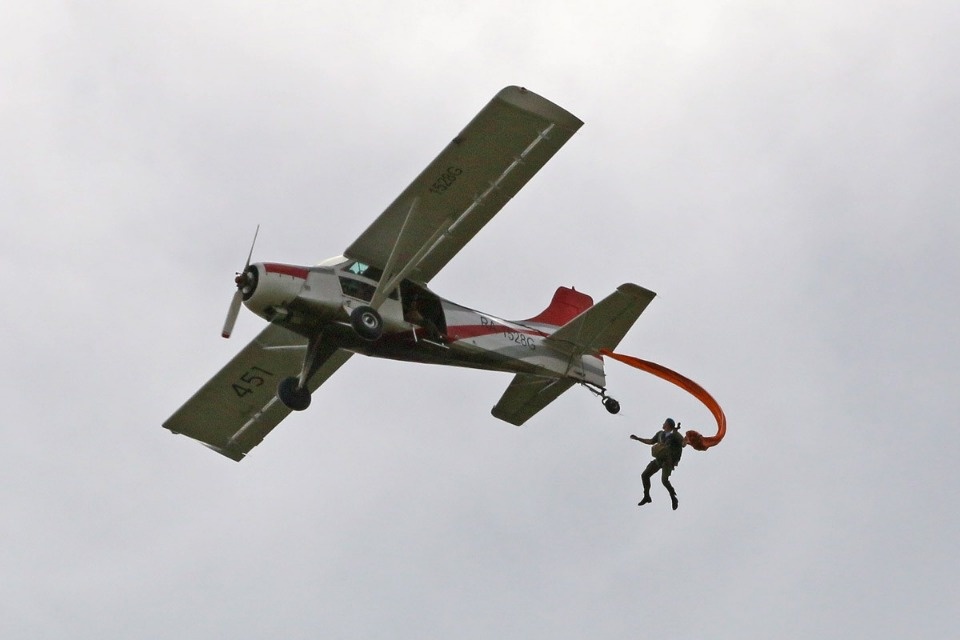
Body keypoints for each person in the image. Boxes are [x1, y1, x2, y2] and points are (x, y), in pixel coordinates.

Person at [630, 418, 684, 510]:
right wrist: (638, 438)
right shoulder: (660, 434)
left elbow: (683, 444)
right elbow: (651, 441)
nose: (663, 424)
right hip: (659, 459)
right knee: (645, 475)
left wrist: (676, 432)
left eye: (665, 423)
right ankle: (647, 496)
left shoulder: (674, 435)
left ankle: (673, 497)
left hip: (668, 460)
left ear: (668, 425)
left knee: (664, 480)